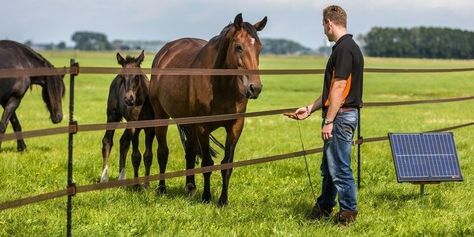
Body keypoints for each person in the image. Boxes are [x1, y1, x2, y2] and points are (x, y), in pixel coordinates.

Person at [286, 5, 364, 226]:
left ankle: (348, 213)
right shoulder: (348, 47)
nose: (323, 30)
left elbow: (339, 88)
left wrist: (329, 121)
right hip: (340, 114)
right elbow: (332, 91)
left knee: (339, 167)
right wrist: (310, 108)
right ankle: (325, 206)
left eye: (323, 25)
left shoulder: (344, 49)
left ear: (329, 23)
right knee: (330, 167)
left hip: (340, 116)